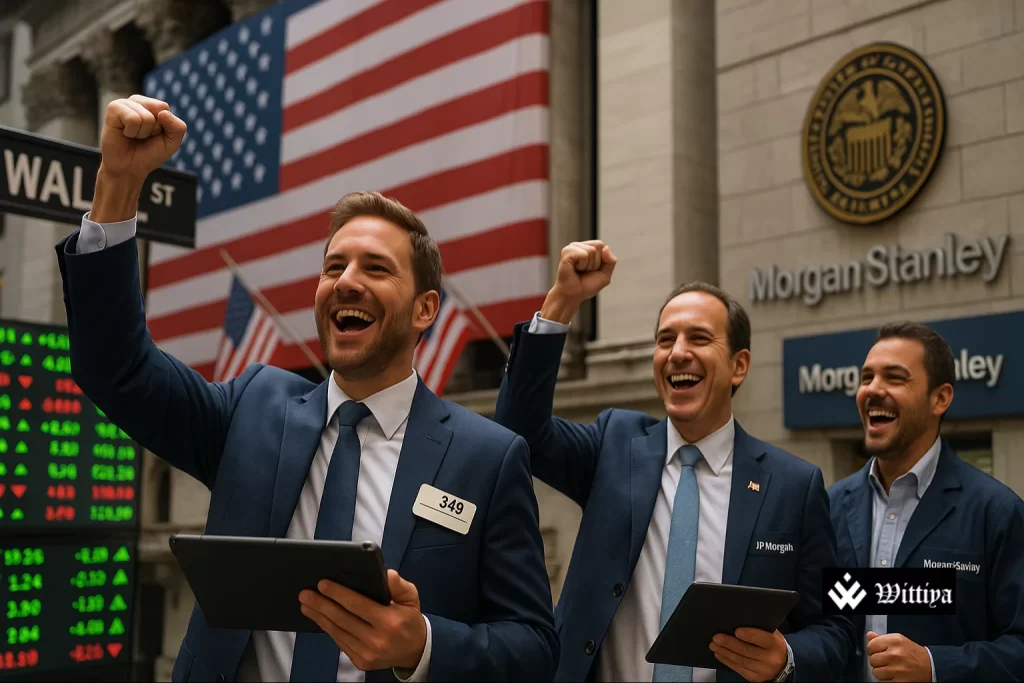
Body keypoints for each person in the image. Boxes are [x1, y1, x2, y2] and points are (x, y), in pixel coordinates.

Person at [55, 95, 558, 683]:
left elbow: (534, 647)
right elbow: (116, 367)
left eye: (375, 268)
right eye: (332, 266)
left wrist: (421, 644)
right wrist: (119, 183)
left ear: (426, 310)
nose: (345, 282)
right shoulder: (250, 409)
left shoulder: (489, 458)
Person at [493, 240, 856, 682]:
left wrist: (787, 657)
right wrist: (562, 301)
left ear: (739, 365)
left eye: (699, 338)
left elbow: (837, 628)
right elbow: (519, 428)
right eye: (665, 340)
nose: (677, 352)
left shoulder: (795, 486)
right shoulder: (614, 444)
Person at [828, 322, 1024, 682]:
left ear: (941, 398)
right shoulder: (830, 507)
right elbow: (823, 625)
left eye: (895, 378)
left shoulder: (996, 512)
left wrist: (935, 666)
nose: (873, 389)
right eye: (867, 377)